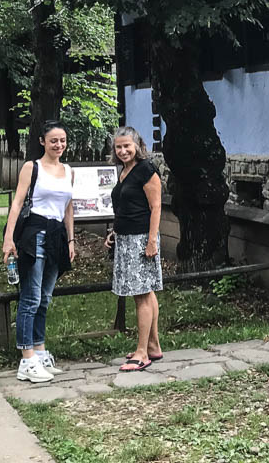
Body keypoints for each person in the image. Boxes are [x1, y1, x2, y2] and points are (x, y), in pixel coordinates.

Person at [1, 120, 75, 384]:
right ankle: (27, 358)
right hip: (34, 233)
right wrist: (9, 239)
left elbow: (68, 207)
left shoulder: (68, 170)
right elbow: (18, 202)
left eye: (63, 140)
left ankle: (40, 349)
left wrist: (71, 240)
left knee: (44, 298)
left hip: (57, 235)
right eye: (54, 140)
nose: (59, 145)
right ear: (42, 141)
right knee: (30, 298)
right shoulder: (31, 167)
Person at [104, 127, 164, 371]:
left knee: (141, 294)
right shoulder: (125, 171)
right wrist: (115, 233)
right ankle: (154, 346)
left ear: (137, 145)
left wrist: (151, 241)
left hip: (141, 238)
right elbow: (127, 208)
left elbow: (156, 207)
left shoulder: (146, 170)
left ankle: (142, 353)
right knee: (147, 293)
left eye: (127, 145)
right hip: (126, 237)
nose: (123, 150)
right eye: (118, 147)